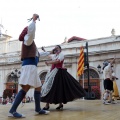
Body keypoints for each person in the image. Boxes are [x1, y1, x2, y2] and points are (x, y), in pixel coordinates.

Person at [8, 13, 50, 118]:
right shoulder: (28, 39)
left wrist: (50, 53)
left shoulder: (31, 43)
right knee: (26, 88)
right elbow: (31, 31)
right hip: (29, 67)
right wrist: (34, 20)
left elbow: (38, 54)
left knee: (38, 87)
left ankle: (37, 109)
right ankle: (12, 110)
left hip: (32, 67)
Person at [41, 45, 86, 110]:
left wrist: (49, 62)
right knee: (54, 87)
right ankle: (59, 104)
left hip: (59, 72)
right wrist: (44, 50)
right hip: (54, 72)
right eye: (55, 49)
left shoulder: (61, 54)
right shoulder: (55, 55)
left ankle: (48, 105)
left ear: (60, 49)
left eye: (57, 48)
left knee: (53, 87)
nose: (56, 49)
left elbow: (58, 61)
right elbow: (49, 55)